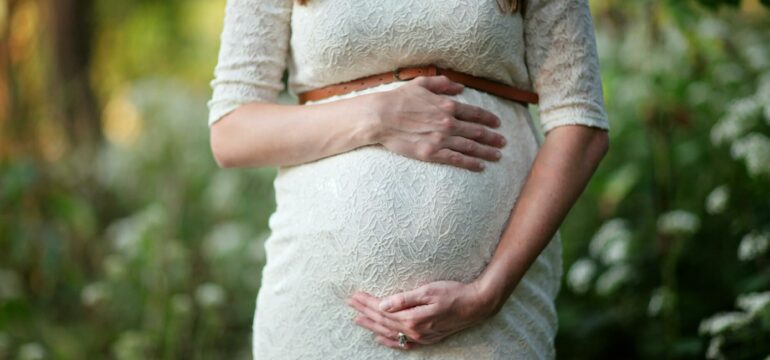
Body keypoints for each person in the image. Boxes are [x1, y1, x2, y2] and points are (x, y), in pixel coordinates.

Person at [206, 0, 610, 358]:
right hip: (319, 311)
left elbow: (581, 123)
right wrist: (377, 117)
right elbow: (231, 131)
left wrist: (489, 293)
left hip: (495, 317)